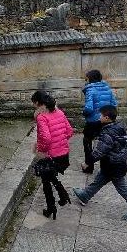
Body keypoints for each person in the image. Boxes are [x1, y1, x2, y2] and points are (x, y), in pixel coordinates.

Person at [72, 105, 127, 223]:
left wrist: (87, 162)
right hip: (116, 163)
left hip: (113, 165)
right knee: (99, 180)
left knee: (124, 189)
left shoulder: (108, 133)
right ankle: (85, 195)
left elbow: (99, 151)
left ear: (106, 118)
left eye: (100, 116)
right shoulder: (120, 127)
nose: (99, 118)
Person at [31, 90, 75, 220]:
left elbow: (46, 139)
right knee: (49, 177)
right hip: (63, 155)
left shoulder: (41, 117)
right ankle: (62, 196)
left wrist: (41, 149)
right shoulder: (60, 112)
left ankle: (51, 207)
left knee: (46, 181)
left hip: (50, 156)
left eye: (34, 103)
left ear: (38, 103)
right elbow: (69, 132)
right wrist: (60, 142)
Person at [81, 69, 117, 174]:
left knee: (87, 141)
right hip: (107, 120)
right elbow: (114, 105)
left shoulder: (90, 90)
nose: (86, 81)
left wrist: (84, 113)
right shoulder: (107, 88)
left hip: (93, 121)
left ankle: (88, 166)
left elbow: (88, 108)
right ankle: (106, 167)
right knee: (106, 142)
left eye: (86, 79)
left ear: (90, 79)